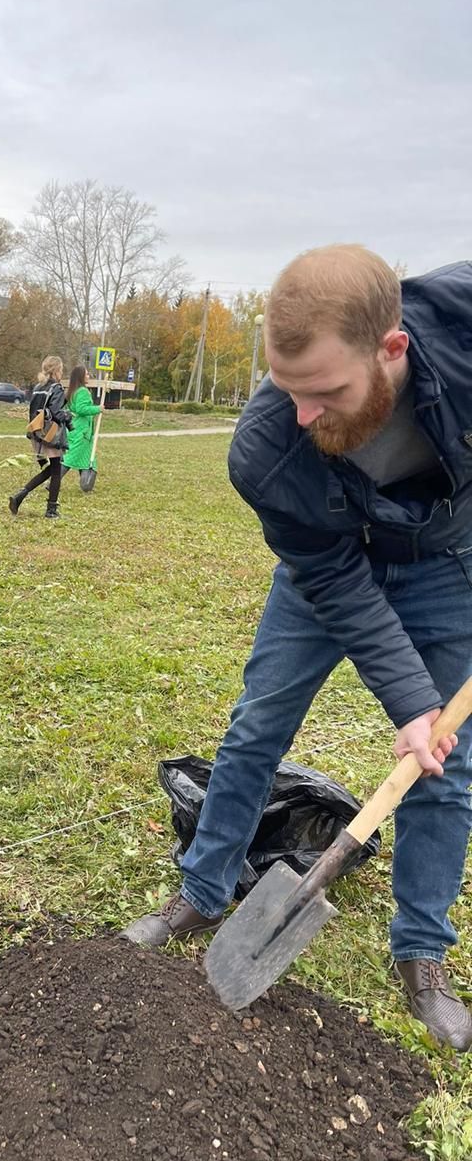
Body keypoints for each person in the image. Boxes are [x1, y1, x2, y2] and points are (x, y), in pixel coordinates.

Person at [121, 246, 472, 1050]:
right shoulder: (267, 449)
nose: (305, 415)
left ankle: (421, 951)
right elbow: (338, 584)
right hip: (331, 560)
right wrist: (410, 701)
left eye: (325, 392)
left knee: (446, 764)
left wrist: (429, 717)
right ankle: (203, 893)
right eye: (289, 391)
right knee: (257, 727)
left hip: (447, 559)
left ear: (393, 348)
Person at [8, 355, 71, 519]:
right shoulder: (56, 388)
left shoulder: (37, 387)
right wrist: (68, 416)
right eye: (61, 370)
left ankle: (20, 495)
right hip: (51, 434)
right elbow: (56, 413)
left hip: (37, 433)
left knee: (51, 469)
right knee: (56, 471)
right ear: (57, 370)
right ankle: (51, 510)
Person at [62, 364, 102, 478]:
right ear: (81, 376)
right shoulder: (83, 391)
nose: (89, 376)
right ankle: (53, 482)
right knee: (70, 458)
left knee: (83, 455)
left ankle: (86, 483)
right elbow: (81, 409)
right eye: (87, 374)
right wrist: (98, 409)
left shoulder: (72, 391)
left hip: (74, 428)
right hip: (81, 430)